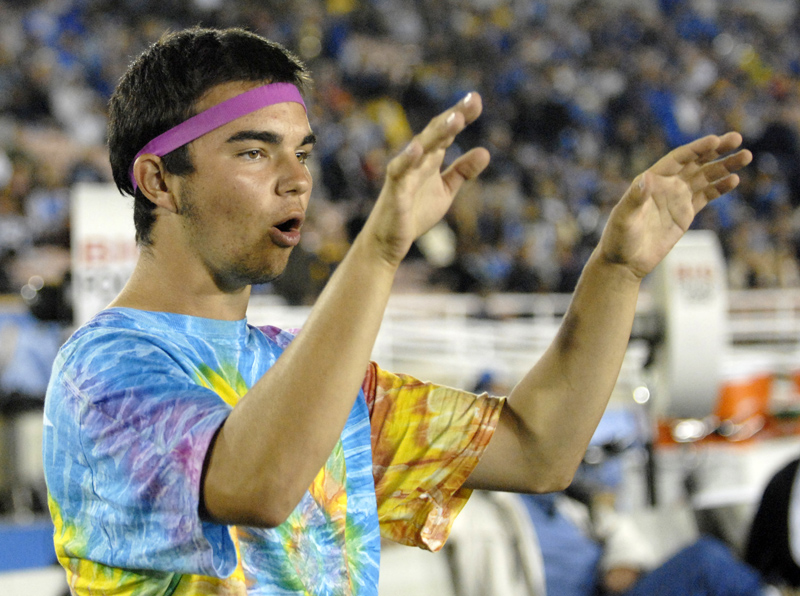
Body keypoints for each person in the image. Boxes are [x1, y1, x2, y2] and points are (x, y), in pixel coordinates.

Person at [42, 26, 752, 596]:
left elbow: (540, 451)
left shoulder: (305, 376)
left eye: (304, 153)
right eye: (255, 151)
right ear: (159, 179)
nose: (297, 180)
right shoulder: (102, 370)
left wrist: (617, 270)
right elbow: (254, 485)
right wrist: (379, 250)